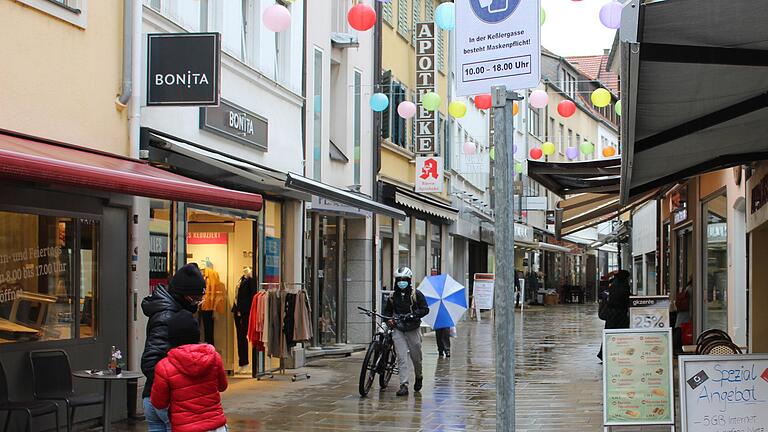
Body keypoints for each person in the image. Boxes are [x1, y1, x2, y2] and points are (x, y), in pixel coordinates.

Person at [141, 263, 206, 432]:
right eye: (195, 299)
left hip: (156, 397)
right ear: (183, 296)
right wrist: (177, 385)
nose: (198, 303)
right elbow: (150, 361)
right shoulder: (167, 316)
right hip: (167, 399)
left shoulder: (171, 312)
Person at [151, 310, 228, 432]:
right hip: (216, 426)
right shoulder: (214, 358)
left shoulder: (164, 366)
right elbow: (222, 386)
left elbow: (159, 403)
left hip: (185, 427)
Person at [384, 267, 429, 397]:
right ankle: (404, 384)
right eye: (399, 280)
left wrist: (413, 315)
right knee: (401, 357)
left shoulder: (416, 294)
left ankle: (419, 376)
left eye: (404, 280)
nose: (401, 282)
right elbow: (387, 311)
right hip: (398, 329)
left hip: (413, 328)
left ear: (409, 280)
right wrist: (389, 320)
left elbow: (425, 309)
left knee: (416, 357)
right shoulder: (392, 296)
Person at [597, 269, 631, 361]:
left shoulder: (612, 285)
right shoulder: (624, 286)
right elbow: (626, 300)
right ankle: (619, 352)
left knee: (609, 334)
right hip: (621, 315)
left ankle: (604, 354)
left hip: (611, 315)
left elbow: (604, 280)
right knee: (621, 335)